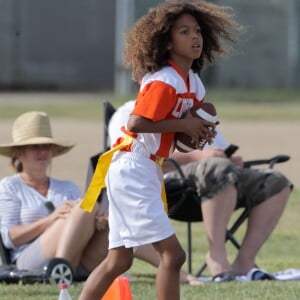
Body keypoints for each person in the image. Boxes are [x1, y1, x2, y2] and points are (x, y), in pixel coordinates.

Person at [80, 1, 240, 299]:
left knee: (119, 260)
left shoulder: (194, 83)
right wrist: (187, 125)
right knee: (173, 256)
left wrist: (201, 132)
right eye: (183, 31)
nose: (195, 37)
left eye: (197, 31)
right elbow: (136, 122)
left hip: (147, 167)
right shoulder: (164, 81)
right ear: (167, 42)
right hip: (132, 166)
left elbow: (184, 128)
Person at [0, 110, 202, 285]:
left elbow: (83, 221)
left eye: (46, 146)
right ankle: (60, 269)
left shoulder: (67, 187)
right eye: (34, 147)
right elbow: (10, 238)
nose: (42, 152)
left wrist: (99, 222)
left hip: (79, 259)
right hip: (28, 261)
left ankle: (179, 272)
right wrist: (53, 219)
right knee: (84, 206)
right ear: (18, 153)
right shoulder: (10, 186)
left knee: (120, 225)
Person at [109, 99, 293, 282]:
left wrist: (231, 160)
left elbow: (219, 149)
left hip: (220, 181)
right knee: (217, 169)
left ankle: (245, 262)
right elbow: (126, 158)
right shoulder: (129, 114)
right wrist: (197, 156)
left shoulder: (193, 110)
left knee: (275, 182)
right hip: (167, 186)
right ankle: (217, 256)